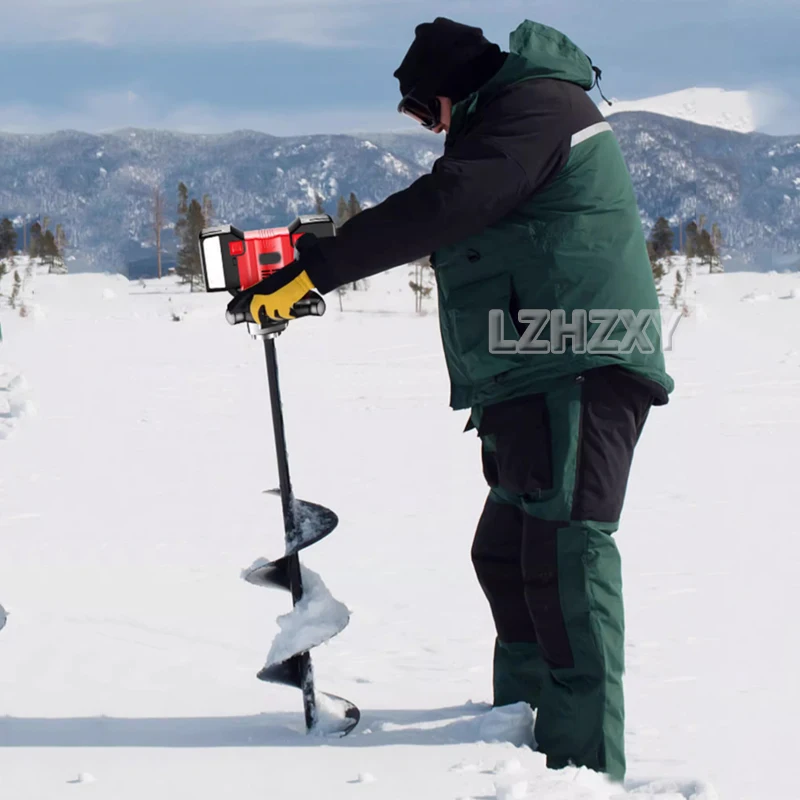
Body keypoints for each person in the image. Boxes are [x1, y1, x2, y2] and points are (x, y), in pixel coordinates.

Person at [227, 17, 674, 782]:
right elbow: (462, 215)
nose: (422, 126)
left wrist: (316, 270)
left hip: (578, 364)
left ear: (449, 90)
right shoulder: (511, 123)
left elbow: (444, 206)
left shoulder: (535, 110)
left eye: (418, 109)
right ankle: (518, 720)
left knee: (567, 562)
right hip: (533, 372)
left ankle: (579, 766)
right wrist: (306, 261)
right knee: (504, 554)